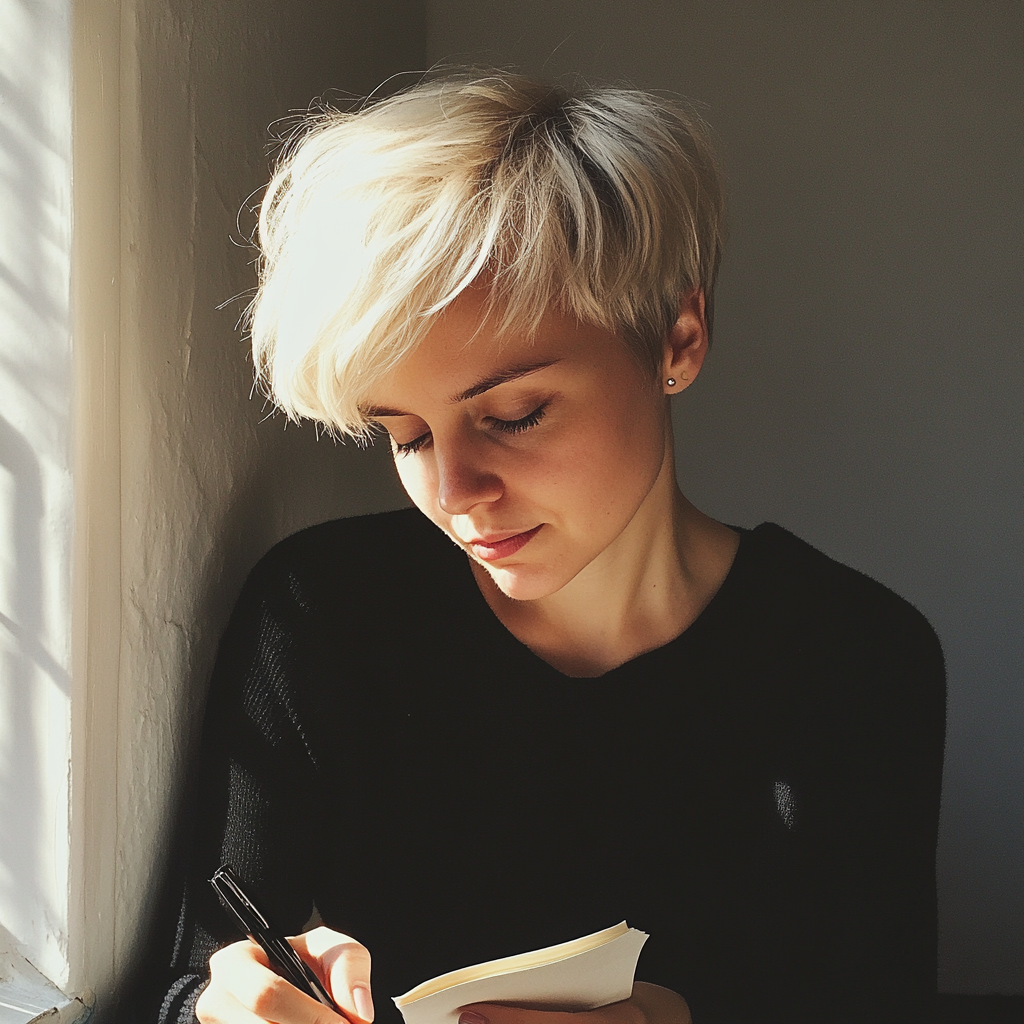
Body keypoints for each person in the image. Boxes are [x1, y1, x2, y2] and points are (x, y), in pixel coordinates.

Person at [150, 71, 946, 1024]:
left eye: (515, 415)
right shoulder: (322, 620)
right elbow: (194, 977)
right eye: (403, 435)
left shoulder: (857, 656)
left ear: (677, 339)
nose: (452, 493)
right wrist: (220, 1006)